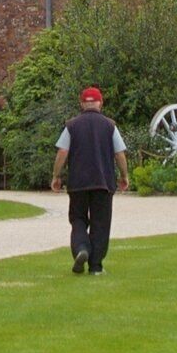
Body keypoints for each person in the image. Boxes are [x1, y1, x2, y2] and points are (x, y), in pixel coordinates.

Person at [53, 86, 127, 274]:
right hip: (103, 182)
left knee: (78, 219)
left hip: (78, 183)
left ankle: (81, 248)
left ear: (82, 104)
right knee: (100, 223)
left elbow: (62, 151)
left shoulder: (72, 125)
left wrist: (56, 176)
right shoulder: (110, 125)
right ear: (100, 103)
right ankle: (96, 266)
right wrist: (124, 175)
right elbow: (119, 153)